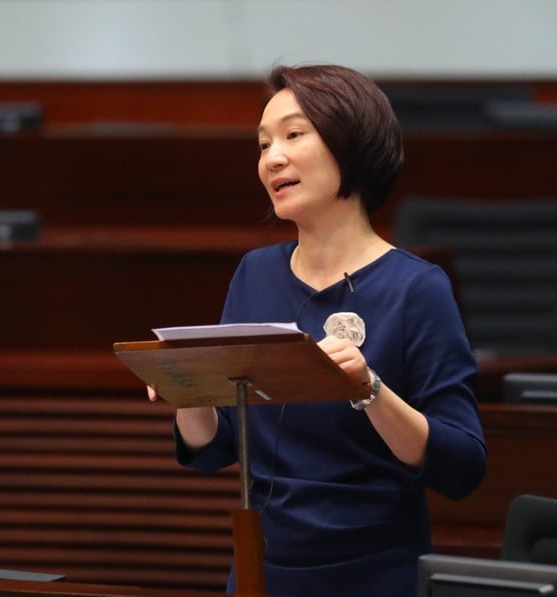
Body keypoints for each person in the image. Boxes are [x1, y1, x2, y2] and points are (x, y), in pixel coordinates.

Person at [149, 63, 486, 597]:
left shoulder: (416, 288)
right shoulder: (255, 273)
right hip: (265, 568)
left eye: (293, 135)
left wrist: (370, 390)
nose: (271, 158)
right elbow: (216, 449)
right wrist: (187, 388)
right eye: (262, 145)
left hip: (376, 572)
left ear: (350, 144)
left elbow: (463, 466)